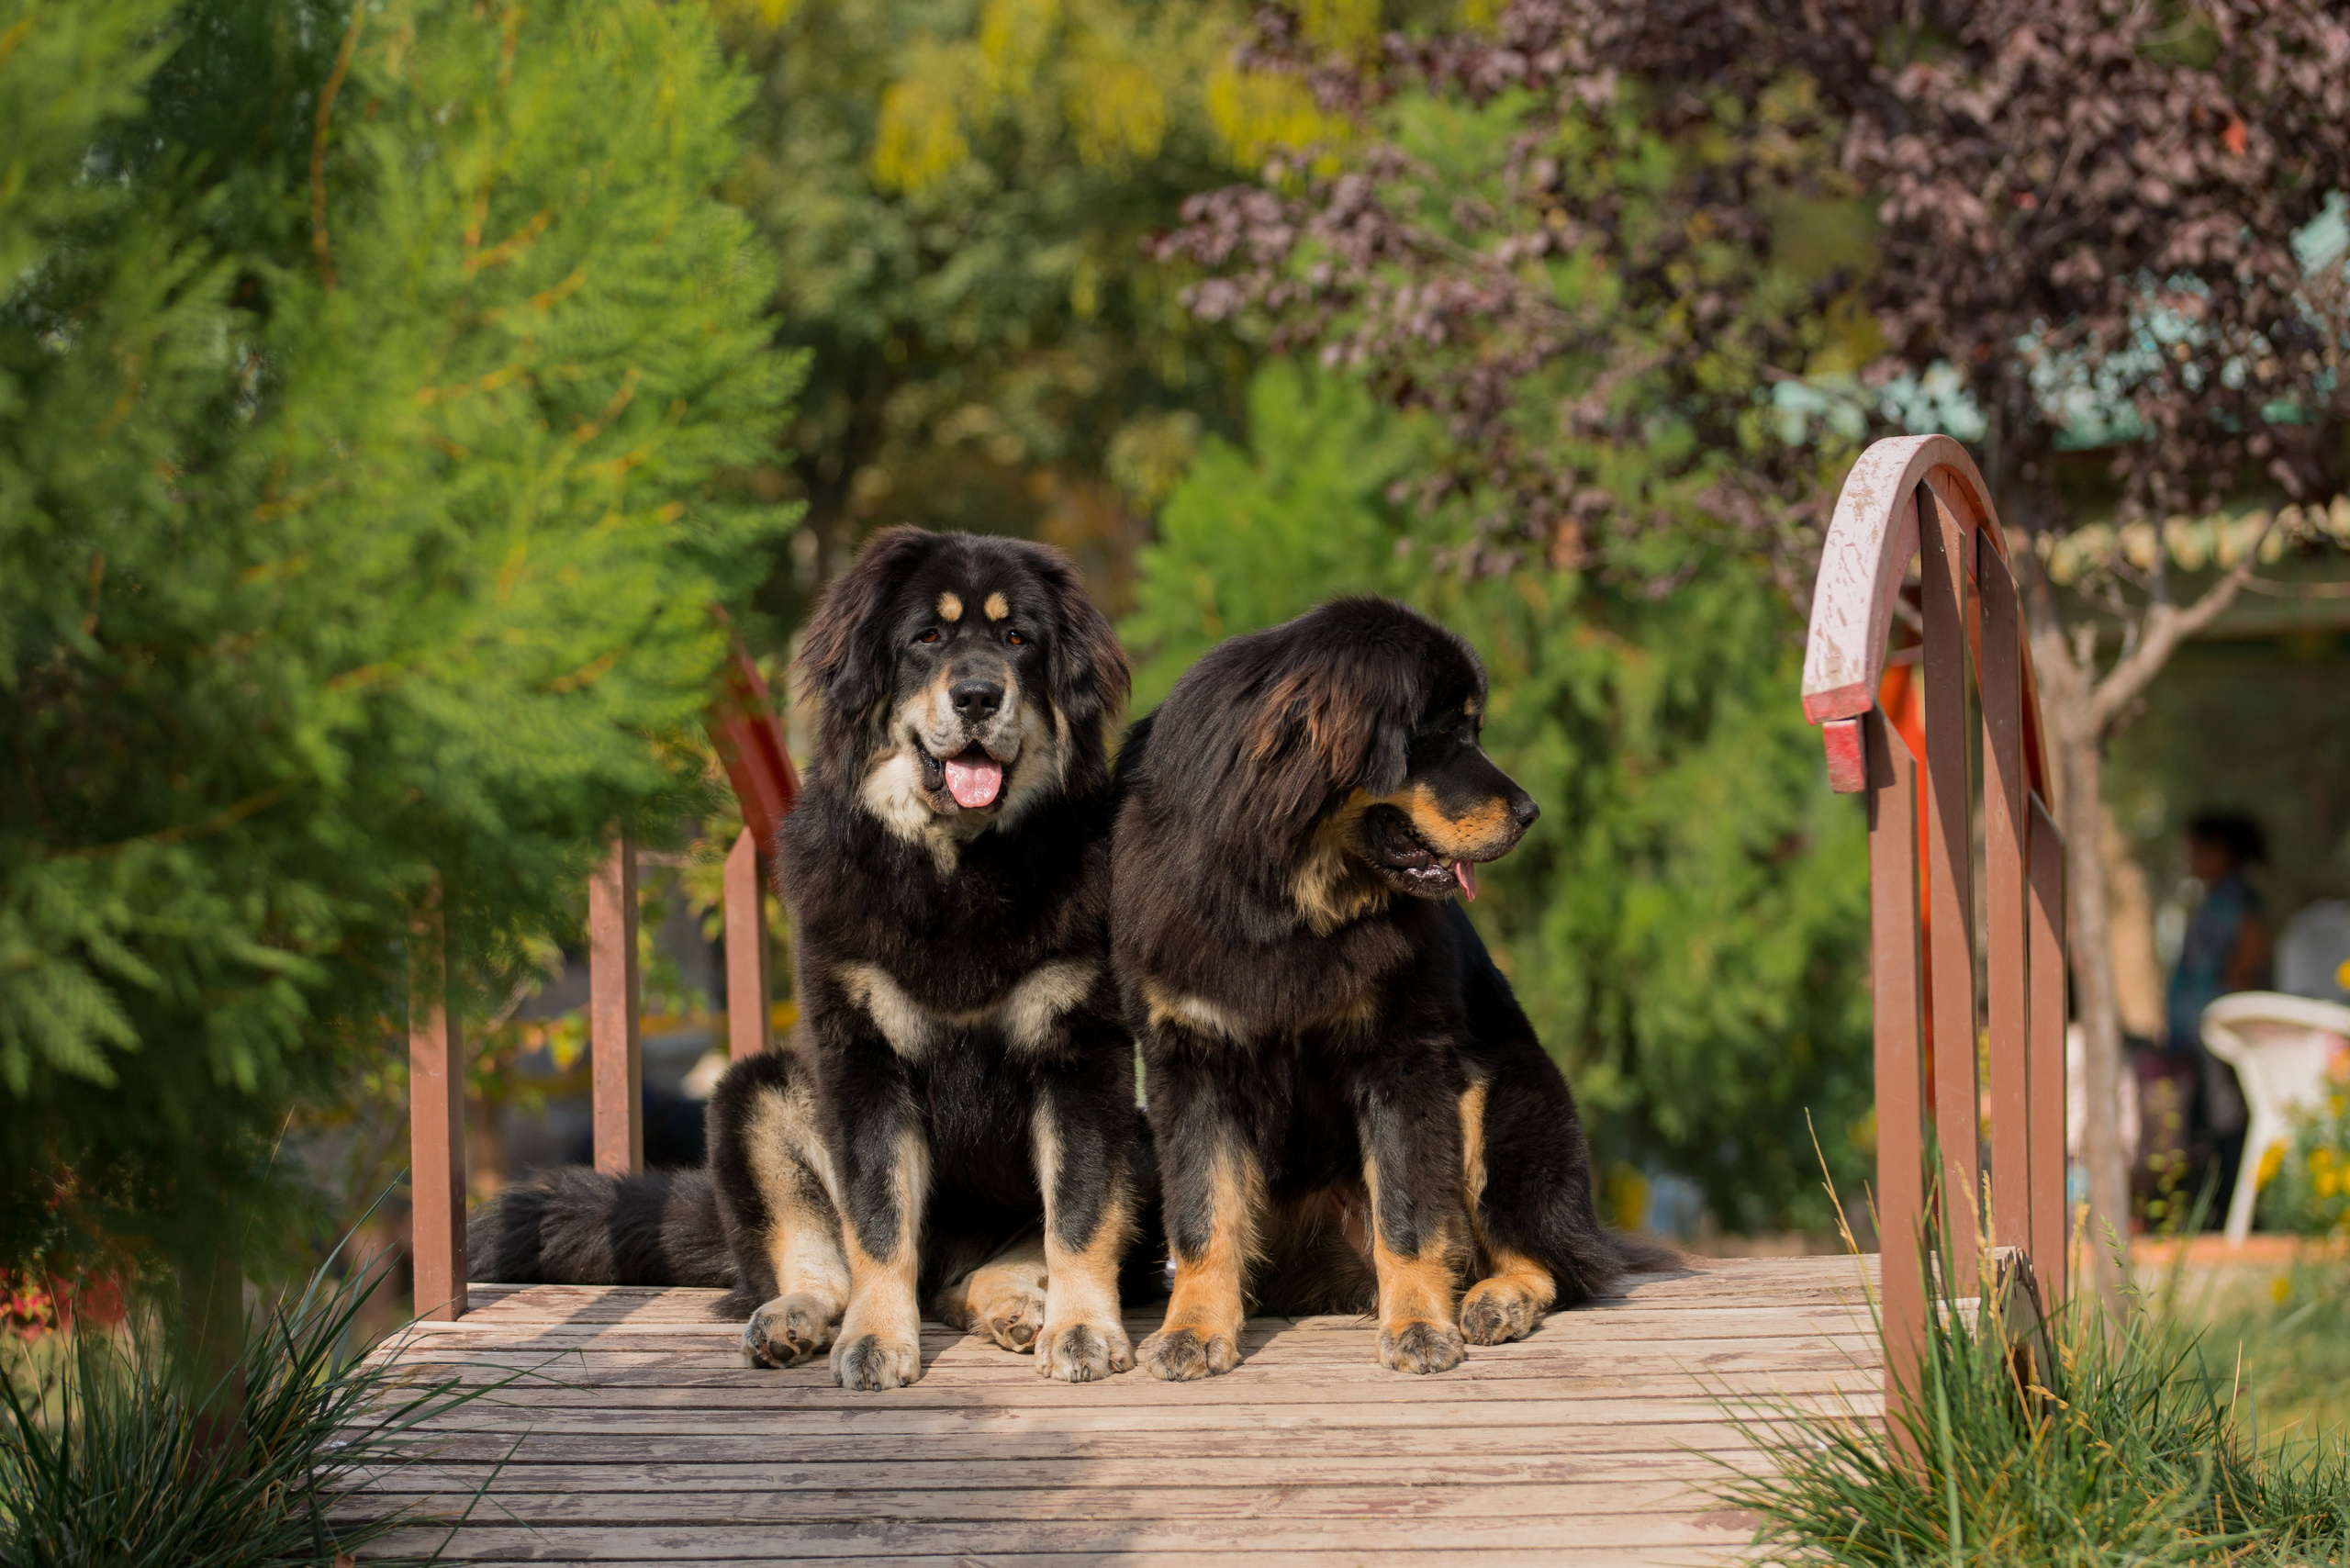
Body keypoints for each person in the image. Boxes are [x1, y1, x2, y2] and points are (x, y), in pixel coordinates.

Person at [2165, 811, 2271, 1225]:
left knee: (2225, 1124)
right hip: (2200, 1034)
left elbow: (2249, 954)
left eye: (2196, 848)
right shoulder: (2215, 898)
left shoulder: (2239, 899)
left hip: (2221, 1033)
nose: (2190, 857)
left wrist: (2231, 1011)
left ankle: (2232, 1213)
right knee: (2203, 1126)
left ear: (2220, 850)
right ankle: (2213, 1211)